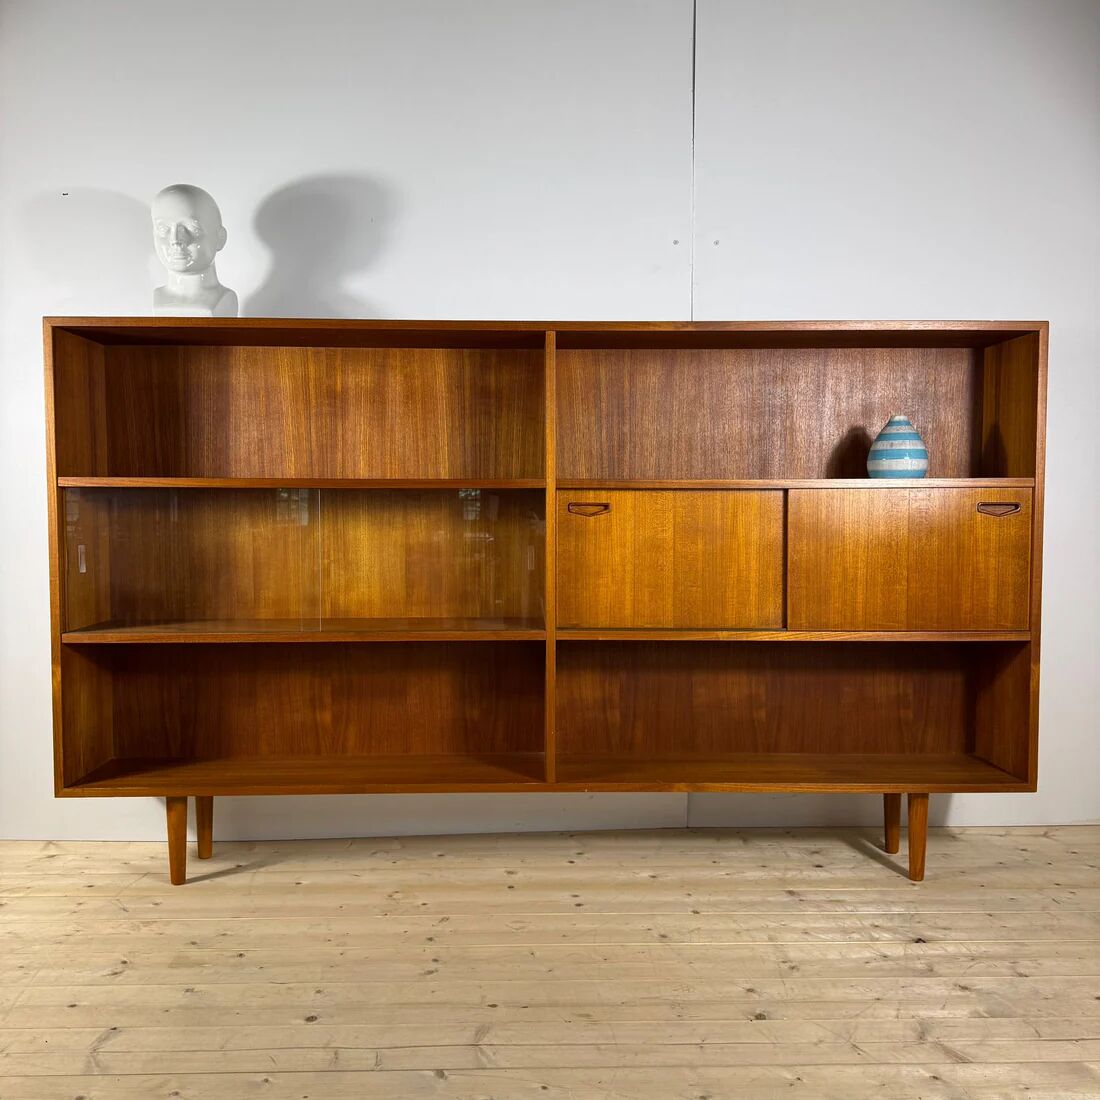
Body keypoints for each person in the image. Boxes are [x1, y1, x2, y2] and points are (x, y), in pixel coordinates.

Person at [152, 184, 238, 316]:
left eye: (191, 228)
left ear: (220, 238)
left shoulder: (224, 300)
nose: (175, 240)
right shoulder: (153, 298)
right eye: (164, 229)